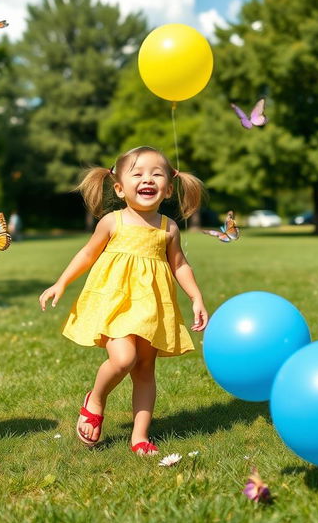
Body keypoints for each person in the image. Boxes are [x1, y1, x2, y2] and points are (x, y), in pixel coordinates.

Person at [39, 146, 209, 455]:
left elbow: (180, 264)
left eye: (156, 174)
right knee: (122, 359)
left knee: (145, 369)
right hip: (116, 304)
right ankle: (96, 399)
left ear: (169, 188)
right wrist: (61, 282)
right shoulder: (112, 222)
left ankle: (139, 437)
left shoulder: (167, 228)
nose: (148, 179)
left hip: (152, 307)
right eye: (138, 174)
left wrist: (196, 297)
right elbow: (88, 253)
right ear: (119, 187)